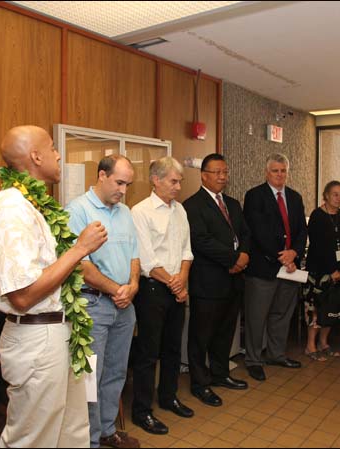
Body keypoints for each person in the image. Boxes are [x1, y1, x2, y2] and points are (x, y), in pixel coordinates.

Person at [0, 126, 107, 447]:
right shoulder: (11, 210)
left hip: (62, 332)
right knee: (33, 439)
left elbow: (54, 269)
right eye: (52, 148)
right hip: (37, 337)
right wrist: (79, 248)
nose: (59, 154)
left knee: (72, 432)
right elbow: (22, 295)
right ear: (36, 156)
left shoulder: (35, 205)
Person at [66, 155, 140, 449]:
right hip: (93, 306)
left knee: (116, 372)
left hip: (124, 307)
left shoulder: (125, 213)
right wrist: (116, 290)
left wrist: (132, 286)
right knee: (90, 379)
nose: (123, 190)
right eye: (119, 182)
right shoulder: (78, 210)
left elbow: (135, 256)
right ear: (101, 175)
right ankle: (90, 439)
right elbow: (80, 266)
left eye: (128, 184)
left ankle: (108, 430)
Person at [130, 157, 194, 435]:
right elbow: (146, 259)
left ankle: (168, 397)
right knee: (148, 352)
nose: (178, 186)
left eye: (179, 181)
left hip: (176, 287)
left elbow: (186, 251)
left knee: (172, 349)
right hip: (153, 290)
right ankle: (142, 410)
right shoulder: (140, 211)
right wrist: (174, 283)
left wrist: (182, 281)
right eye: (173, 181)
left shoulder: (180, 210)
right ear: (156, 180)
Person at [183, 154, 251, 406]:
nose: (223, 177)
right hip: (208, 282)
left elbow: (245, 232)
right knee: (201, 337)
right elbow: (201, 241)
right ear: (203, 175)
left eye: (225, 172)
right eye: (217, 172)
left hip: (233, 282)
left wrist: (243, 255)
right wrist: (233, 259)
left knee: (225, 333)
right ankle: (200, 384)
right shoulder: (192, 205)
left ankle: (221, 374)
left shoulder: (233, 204)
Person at [243, 153, 307, 381]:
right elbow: (258, 233)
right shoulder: (254, 196)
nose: (279, 175)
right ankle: (253, 359)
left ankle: (276, 354)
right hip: (264, 268)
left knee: (282, 314)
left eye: (283, 171)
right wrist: (283, 257)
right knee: (256, 316)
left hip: (290, 269)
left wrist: (294, 253)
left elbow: (301, 231)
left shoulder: (295, 197)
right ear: (266, 172)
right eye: (275, 171)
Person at [304, 181, 340, 361]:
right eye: (335, 194)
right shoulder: (317, 216)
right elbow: (317, 247)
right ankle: (310, 346)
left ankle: (324, 343)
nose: (339, 198)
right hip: (319, 272)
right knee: (316, 308)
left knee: (332, 307)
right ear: (325, 195)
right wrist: (330, 271)